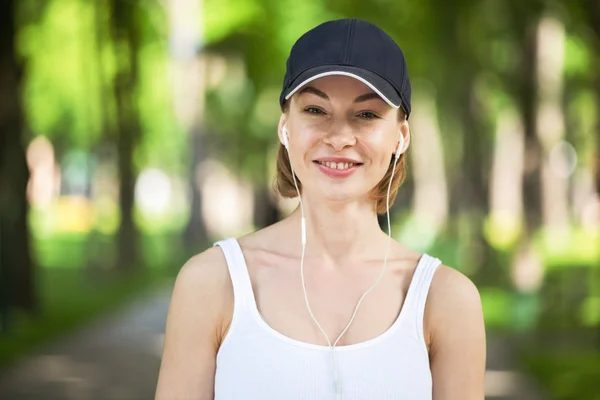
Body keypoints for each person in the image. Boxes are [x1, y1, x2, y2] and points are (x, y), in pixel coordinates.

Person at [155, 18, 486, 400]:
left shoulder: (445, 299)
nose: (340, 137)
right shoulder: (211, 283)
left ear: (401, 136)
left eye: (366, 114)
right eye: (315, 110)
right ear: (285, 128)